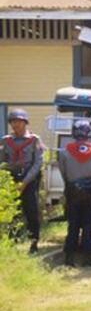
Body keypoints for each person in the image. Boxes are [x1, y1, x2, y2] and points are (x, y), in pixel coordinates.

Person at [57, 120, 91, 267]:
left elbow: (63, 173)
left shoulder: (64, 152)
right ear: (88, 133)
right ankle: (87, 258)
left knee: (73, 226)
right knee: (88, 226)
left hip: (72, 191)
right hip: (89, 192)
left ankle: (69, 259)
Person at [0, 109, 44, 254]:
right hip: (11, 179)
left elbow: (37, 163)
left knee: (31, 211)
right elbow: (2, 161)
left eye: (18, 121)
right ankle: (12, 241)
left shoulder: (34, 140)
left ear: (25, 123)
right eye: (13, 121)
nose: (15, 124)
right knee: (12, 212)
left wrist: (25, 182)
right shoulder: (5, 141)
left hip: (29, 179)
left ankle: (34, 243)